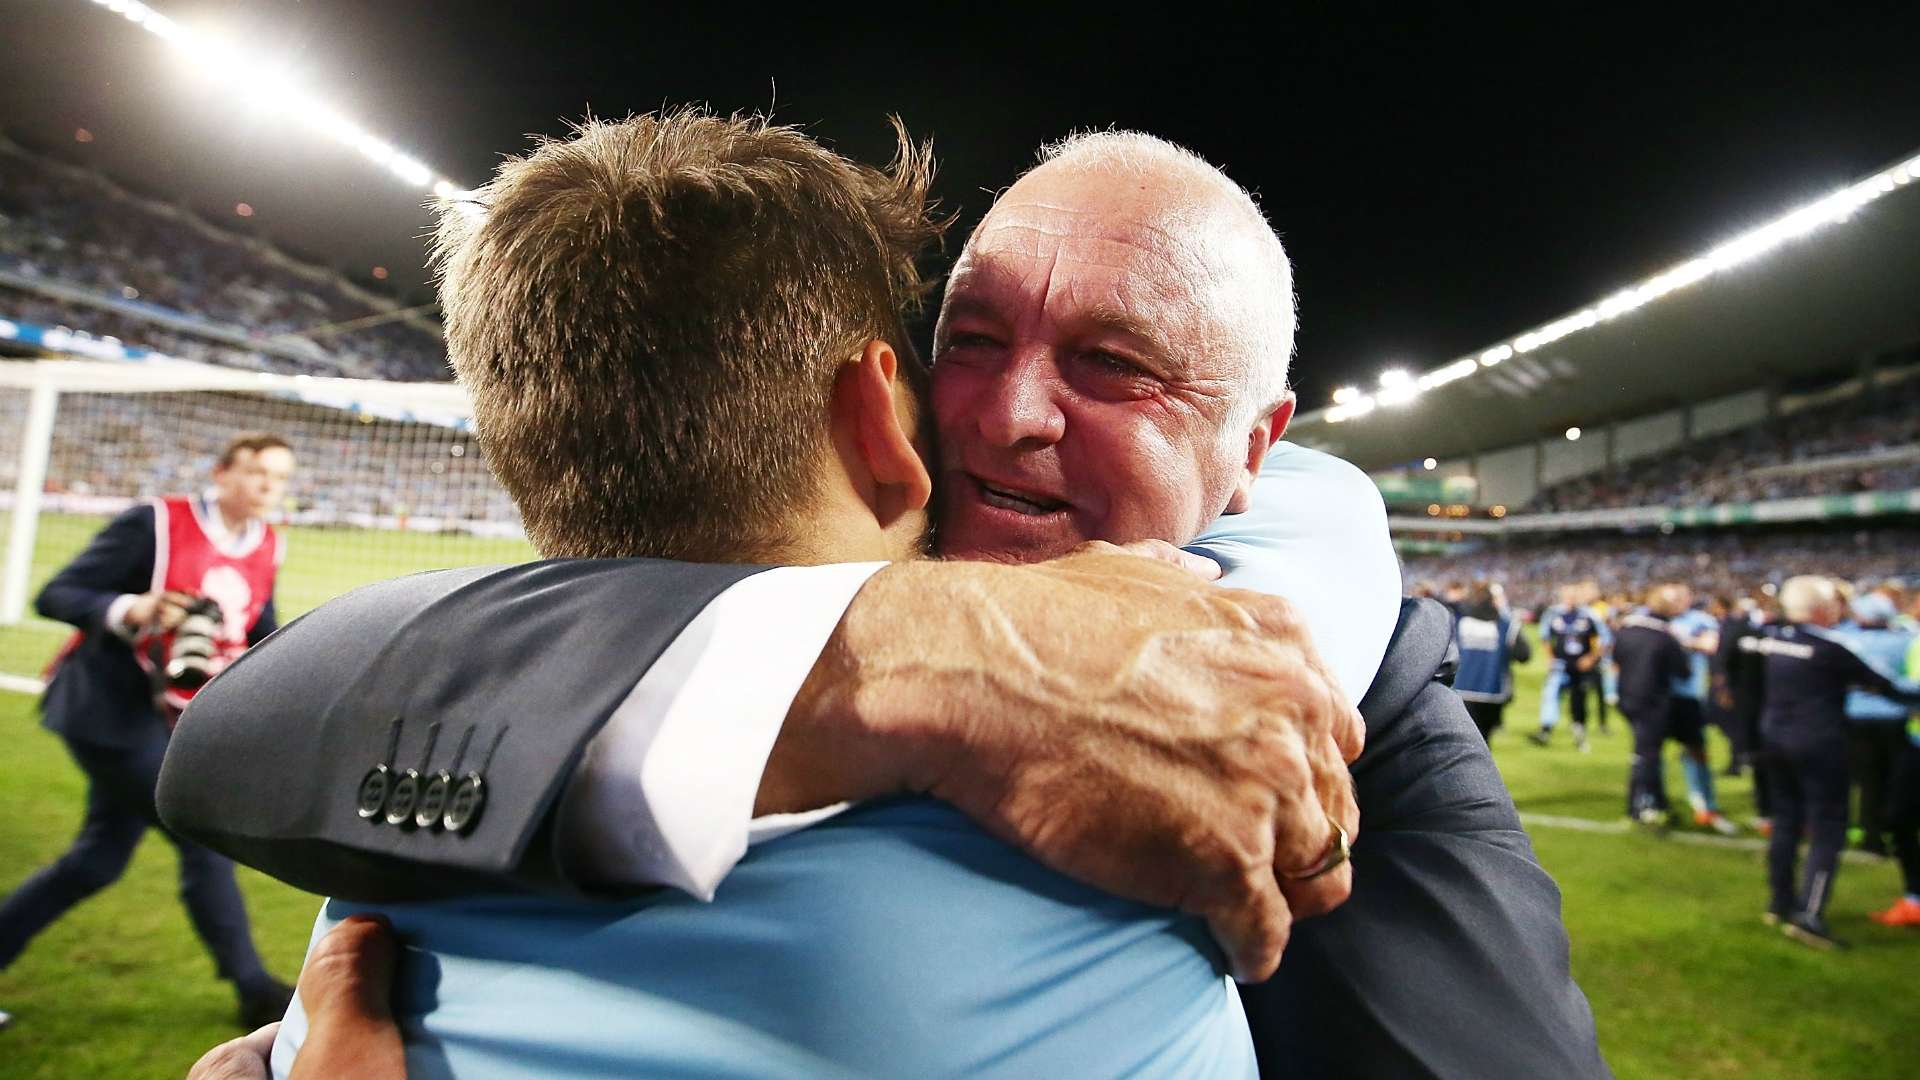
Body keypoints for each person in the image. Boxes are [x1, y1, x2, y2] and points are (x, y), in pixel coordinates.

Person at [165, 117, 1606, 1078]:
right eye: (968, 340)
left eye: (1115, 366)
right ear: (891, 389)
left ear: (1256, 449)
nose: (1006, 416)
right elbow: (257, 722)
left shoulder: (1344, 688)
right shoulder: (800, 610)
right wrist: (894, 651)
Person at [0, 432, 297, 1031]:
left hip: (164, 716)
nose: (269, 486)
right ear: (221, 473)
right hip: (107, 711)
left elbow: (262, 627)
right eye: (257, 472)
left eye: (280, 477)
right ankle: (255, 991)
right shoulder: (156, 524)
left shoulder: (267, 544)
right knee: (201, 836)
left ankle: (256, 991)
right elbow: (56, 595)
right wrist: (131, 608)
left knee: (96, 862)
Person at [1743, 576, 1920, 950]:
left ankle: (1779, 902)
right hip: (1819, 744)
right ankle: (1809, 914)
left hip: (1774, 738)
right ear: (1824, 609)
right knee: (1828, 826)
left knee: (1787, 821)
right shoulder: (1831, 647)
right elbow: (1887, 686)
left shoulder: (1773, 639)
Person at [1830, 591, 1916, 855]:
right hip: (1895, 717)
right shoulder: (1906, 639)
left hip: (1857, 718)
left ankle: (1872, 835)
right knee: (1894, 779)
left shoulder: (1846, 639)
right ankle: (1894, 830)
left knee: (1868, 780)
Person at [1611, 585, 1695, 828]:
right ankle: (1639, 804)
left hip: (1626, 697)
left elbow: (1616, 658)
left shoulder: (1627, 629)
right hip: (1652, 701)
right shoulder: (1666, 636)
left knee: (1647, 751)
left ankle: (1658, 800)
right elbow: (1684, 672)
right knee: (1646, 754)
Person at [1667, 591, 1738, 834]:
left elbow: (1711, 645)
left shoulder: (1699, 620)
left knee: (1696, 750)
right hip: (1657, 696)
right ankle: (1653, 803)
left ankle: (1705, 803)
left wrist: (1676, 642)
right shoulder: (1654, 619)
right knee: (1649, 753)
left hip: (1688, 695)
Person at [1452, 580, 1531, 742]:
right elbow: (1524, 655)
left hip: (1460, 690)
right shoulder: (1505, 623)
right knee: (1483, 743)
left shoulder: (1459, 620)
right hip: (1492, 691)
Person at [1533, 585, 1604, 751]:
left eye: (1573, 596)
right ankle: (1545, 730)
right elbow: (1545, 636)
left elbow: (1603, 639)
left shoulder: (1589, 615)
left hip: (1580, 666)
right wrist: (1550, 657)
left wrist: (1591, 658)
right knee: (1551, 695)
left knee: (1579, 700)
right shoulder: (1554, 614)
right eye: (1567, 596)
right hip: (1560, 664)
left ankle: (1580, 735)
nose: (1570, 599)